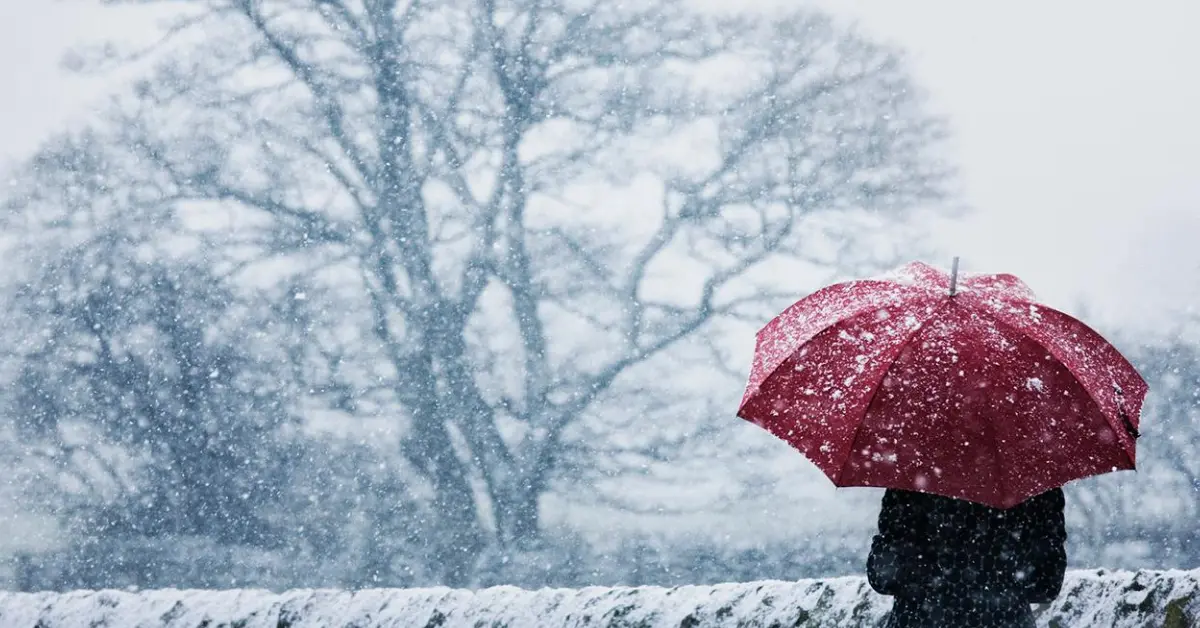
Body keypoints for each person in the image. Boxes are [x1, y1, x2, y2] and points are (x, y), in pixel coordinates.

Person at [867, 487, 1067, 628]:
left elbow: (883, 578)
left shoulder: (912, 478)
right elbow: (1046, 585)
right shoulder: (1030, 481)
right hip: (1006, 620)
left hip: (919, 620)